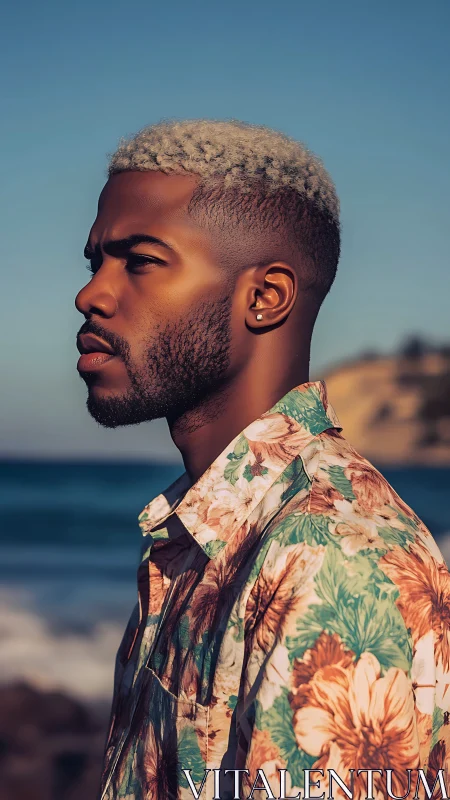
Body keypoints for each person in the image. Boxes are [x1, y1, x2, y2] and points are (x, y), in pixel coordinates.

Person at [75, 119, 450, 800]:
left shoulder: (335, 556)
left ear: (265, 297)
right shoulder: (205, 530)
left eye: (140, 260)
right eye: (96, 261)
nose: (92, 294)